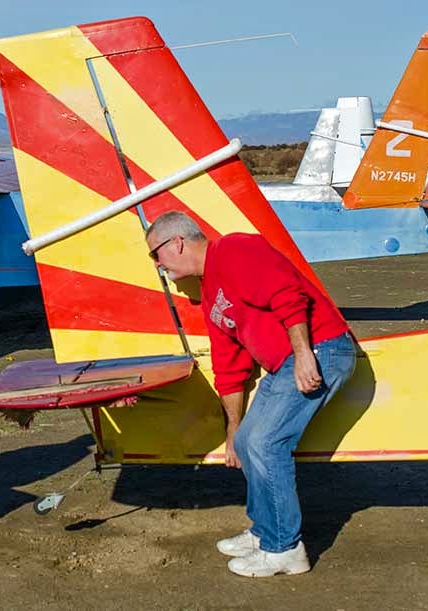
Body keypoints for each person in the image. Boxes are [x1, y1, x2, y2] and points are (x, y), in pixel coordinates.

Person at [145, 211, 356, 578]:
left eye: (155, 254)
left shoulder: (234, 250)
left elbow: (288, 294)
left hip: (321, 348)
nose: (157, 264)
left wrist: (305, 355)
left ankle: (284, 549)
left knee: (266, 443)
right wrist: (232, 430)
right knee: (246, 442)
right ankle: (263, 532)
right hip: (284, 363)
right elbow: (229, 366)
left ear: (176, 242)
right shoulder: (209, 293)